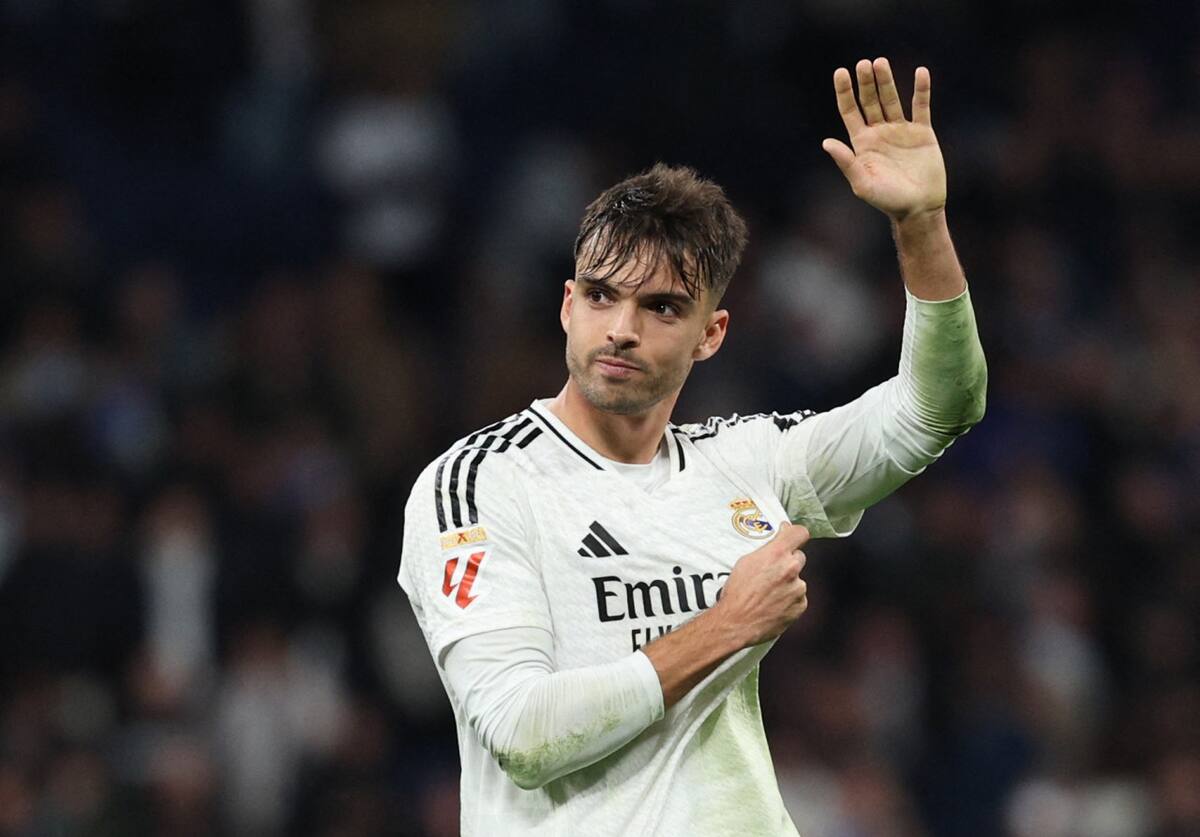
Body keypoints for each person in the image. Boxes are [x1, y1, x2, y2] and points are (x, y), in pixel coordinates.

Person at [398, 57, 986, 836]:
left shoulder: (748, 462)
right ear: (568, 305)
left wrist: (920, 227)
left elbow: (936, 407)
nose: (622, 329)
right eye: (602, 295)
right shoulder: (480, 484)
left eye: (661, 307)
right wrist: (726, 624)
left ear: (711, 335)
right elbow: (523, 732)